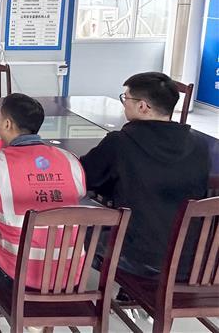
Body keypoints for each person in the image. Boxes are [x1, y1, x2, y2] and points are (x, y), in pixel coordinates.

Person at [0, 94, 86, 326]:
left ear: (7, 124)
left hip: (18, 271)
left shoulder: (0, 162)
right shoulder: (70, 160)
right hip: (69, 272)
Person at [80, 72, 209, 277]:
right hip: (192, 261)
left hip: (137, 258)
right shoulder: (200, 145)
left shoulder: (120, 143)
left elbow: (85, 178)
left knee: (77, 228)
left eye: (126, 98)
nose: (124, 104)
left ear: (142, 106)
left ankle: (71, 290)